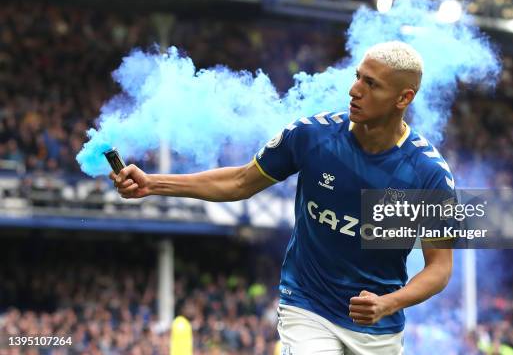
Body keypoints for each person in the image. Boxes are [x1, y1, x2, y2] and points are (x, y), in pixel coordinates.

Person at [111, 41, 456, 354]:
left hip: (377, 328)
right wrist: (152, 183)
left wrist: (389, 303)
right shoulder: (311, 136)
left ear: (403, 98)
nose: (354, 90)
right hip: (308, 305)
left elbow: (439, 268)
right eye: (358, 77)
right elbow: (240, 181)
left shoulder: (428, 175)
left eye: (371, 84)